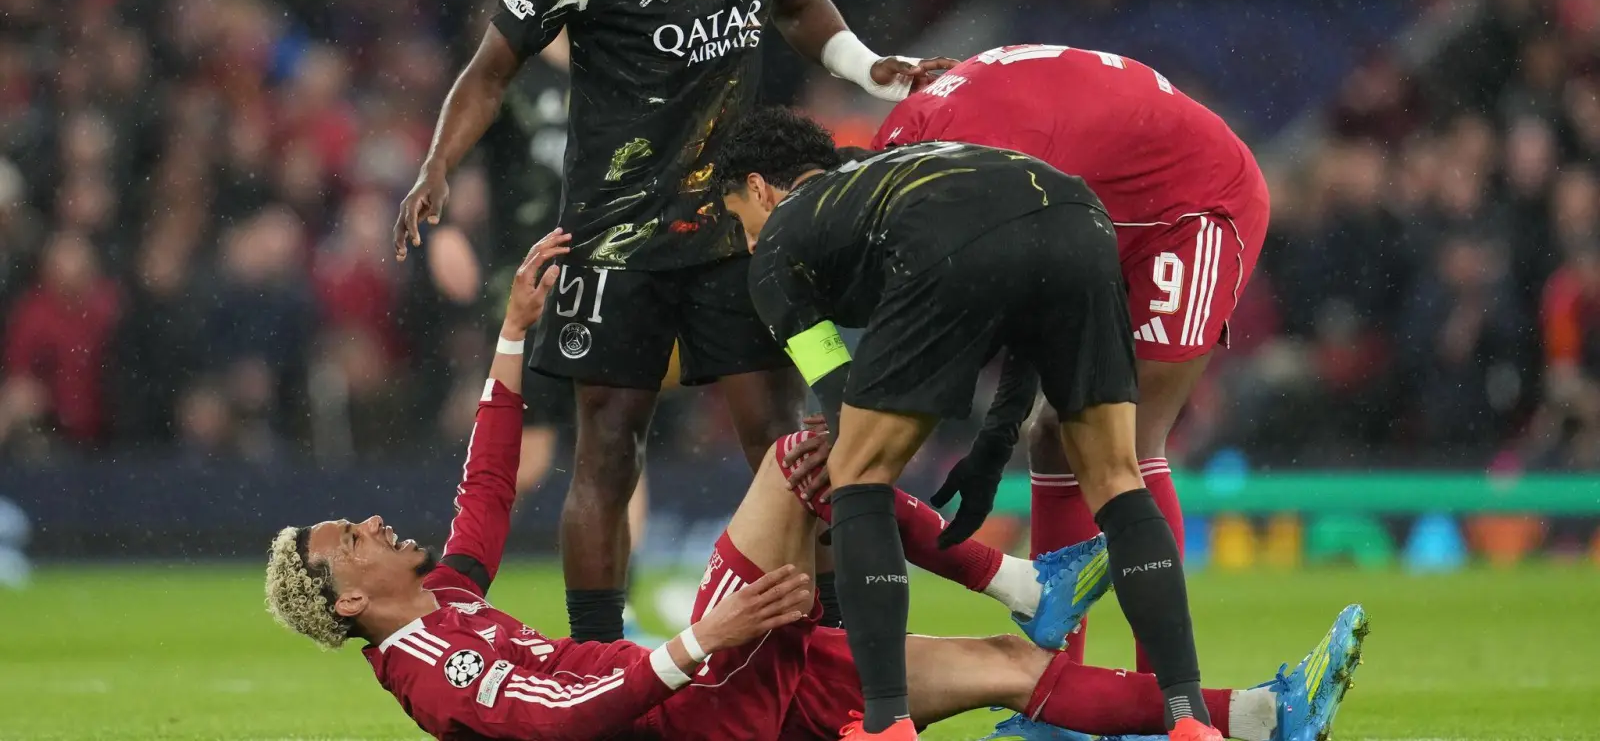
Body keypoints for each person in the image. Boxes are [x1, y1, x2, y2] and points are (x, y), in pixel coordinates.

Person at [264, 229, 1367, 741]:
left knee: (1003, 670)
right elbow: (565, 718)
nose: (367, 523)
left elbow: (487, 493)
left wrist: (511, 340)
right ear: (350, 599)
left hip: (729, 688)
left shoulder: (444, 599)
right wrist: (710, 633)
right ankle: (1022, 577)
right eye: (346, 540)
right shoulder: (432, 673)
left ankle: (1270, 713)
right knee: (809, 455)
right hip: (697, 702)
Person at [391, 0, 953, 644]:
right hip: (613, 234)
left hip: (737, 221)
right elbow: (490, 68)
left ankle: (823, 647)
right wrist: (437, 165)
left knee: (785, 439)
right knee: (607, 452)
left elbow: (797, 3)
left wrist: (873, 71)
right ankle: (595, 656)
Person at [718, 110, 1218, 741]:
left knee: (854, 474)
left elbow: (841, 402)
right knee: (1119, 480)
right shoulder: (886, 172)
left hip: (955, 235)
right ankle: (1190, 721)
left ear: (761, 189)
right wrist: (996, 441)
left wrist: (855, 451)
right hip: (1078, 217)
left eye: (741, 220)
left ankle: (885, 724)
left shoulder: (780, 245)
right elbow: (1022, 297)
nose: (748, 242)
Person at [867, 43, 1273, 673]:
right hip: (1102, 210)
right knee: (1055, 435)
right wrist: (997, 435)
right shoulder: (914, 145)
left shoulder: (970, 173)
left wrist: (964, 431)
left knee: (1125, 441)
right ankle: (1059, 689)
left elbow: (1015, 287)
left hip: (1192, 205)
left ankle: (1159, 695)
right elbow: (1029, 304)